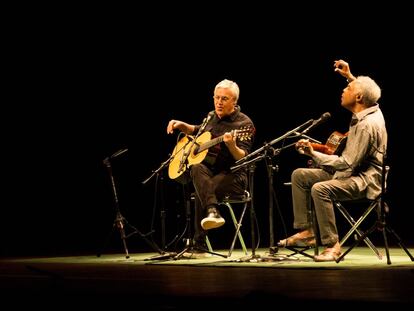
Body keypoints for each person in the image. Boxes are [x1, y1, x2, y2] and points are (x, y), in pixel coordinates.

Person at [277, 59, 387, 262]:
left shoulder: (366, 125)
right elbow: (368, 95)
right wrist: (350, 76)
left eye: (348, 88)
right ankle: (307, 231)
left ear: (359, 97)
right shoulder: (371, 109)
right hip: (351, 173)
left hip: (364, 179)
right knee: (300, 175)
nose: (344, 90)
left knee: (320, 189)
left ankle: (332, 245)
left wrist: (313, 154)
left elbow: (347, 164)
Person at [166, 79, 255, 251]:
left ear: (234, 101)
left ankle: (198, 244)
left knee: (205, 188)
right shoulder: (211, 116)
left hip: (234, 176)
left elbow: (243, 157)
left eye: (224, 99)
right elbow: (199, 131)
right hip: (211, 174)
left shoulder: (244, 124)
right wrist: (184, 126)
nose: (219, 102)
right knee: (197, 168)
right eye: (216, 98)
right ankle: (212, 212)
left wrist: (232, 145)